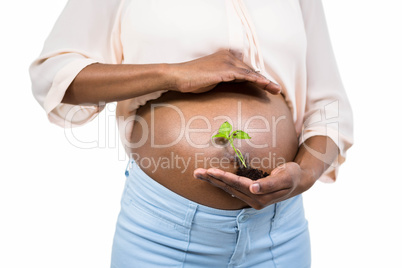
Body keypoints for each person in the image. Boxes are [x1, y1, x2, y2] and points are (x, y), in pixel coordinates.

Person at [30, 0, 353, 267]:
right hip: (162, 239)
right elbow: (54, 77)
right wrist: (173, 74)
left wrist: (305, 174)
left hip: (278, 236)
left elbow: (328, 107)